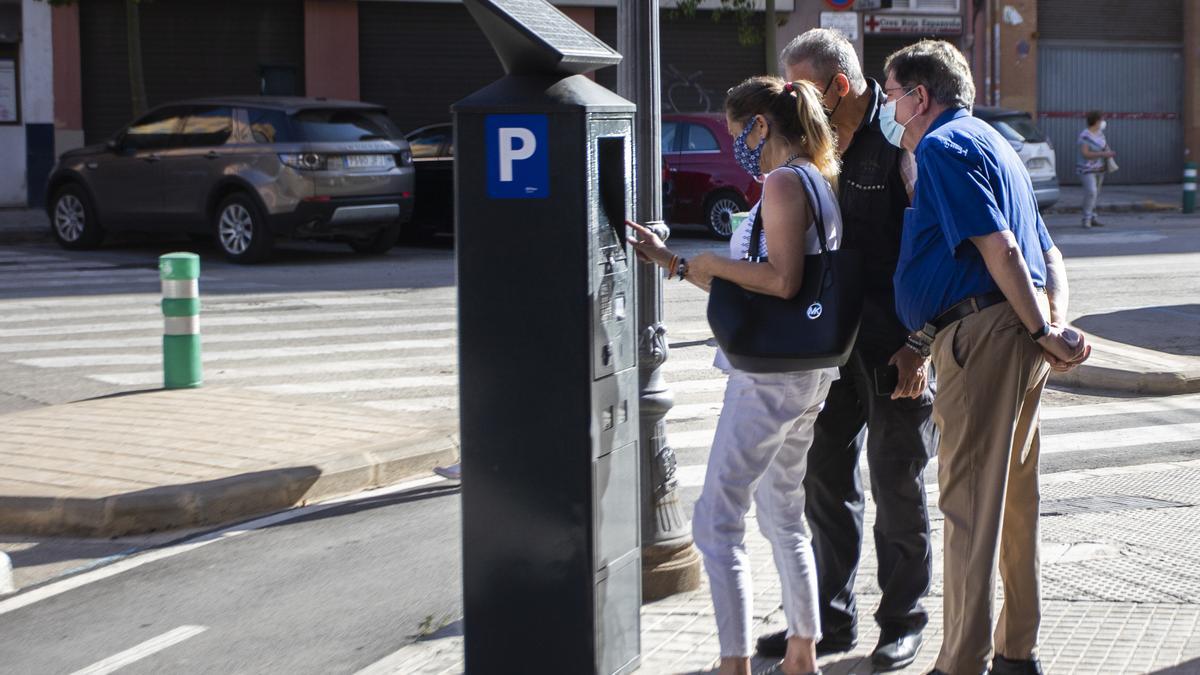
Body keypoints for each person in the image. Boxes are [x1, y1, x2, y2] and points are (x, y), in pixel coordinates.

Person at [881, 40, 1090, 675]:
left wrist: (1045, 330)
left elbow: (1001, 248)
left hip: (985, 338)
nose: (891, 112)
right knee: (1013, 503)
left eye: (892, 97)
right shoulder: (999, 144)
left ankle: (961, 661)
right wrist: (1052, 325)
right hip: (1008, 334)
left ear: (921, 96)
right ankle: (1015, 651)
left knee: (968, 506)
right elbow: (1047, 252)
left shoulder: (943, 148)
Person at [627, 75, 842, 675]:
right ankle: (802, 651)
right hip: (807, 370)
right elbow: (756, 282)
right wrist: (673, 262)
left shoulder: (781, 183)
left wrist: (710, 262)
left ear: (762, 125)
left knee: (716, 520)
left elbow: (779, 280)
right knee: (782, 512)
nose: (737, 145)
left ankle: (733, 662)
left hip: (769, 377)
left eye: (736, 132)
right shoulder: (817, 180)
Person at [753, 29, 938, 672]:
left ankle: (903, 621)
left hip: (895, 344)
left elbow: (937, 246)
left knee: (896, 479)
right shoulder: (814, 140)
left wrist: (921, 343)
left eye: (802, 88)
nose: (793, 102)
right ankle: (828, 622)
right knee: (825, 480)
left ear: (839, 84)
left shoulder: (901, 140)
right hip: (828, 344)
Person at [1077, 110, 1116, 228]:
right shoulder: (1085, 136)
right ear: (1096, 121)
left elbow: (1104, 147)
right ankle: (1086, 218)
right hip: (1086, 169)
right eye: (1101, 120)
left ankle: (1093, 217)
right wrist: (1103, 155)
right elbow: (1085, 154)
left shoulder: (1100, 134)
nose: (1103, 122)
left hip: (1099, 169)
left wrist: (1107, 155)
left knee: (1095, 194)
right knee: (1091, 192)